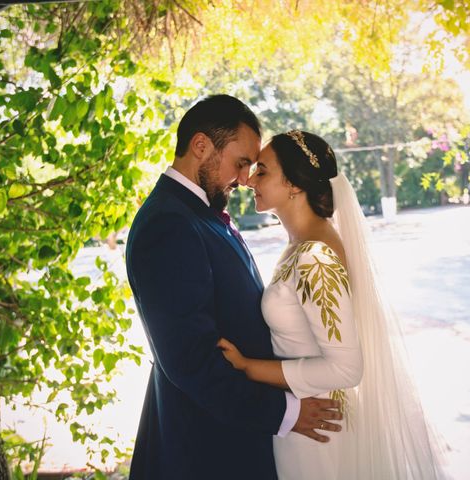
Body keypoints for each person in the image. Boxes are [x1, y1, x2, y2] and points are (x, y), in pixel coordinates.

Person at [124, 96, 342, 480]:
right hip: (204, 451)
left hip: (228, 439)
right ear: (201, 146)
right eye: (242, 163)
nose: (245, 178)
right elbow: (191, 361)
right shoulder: (169, 225)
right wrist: (286, 413)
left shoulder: (196, 214)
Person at [218, 130, 444, 479]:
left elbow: (346, 369)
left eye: (262, 170)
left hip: (316, 428)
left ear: (294, 183)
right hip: (306, 420)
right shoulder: (303, 244)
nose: (248, 180)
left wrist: (249, 367)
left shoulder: (315, 257)